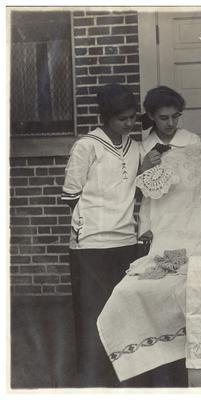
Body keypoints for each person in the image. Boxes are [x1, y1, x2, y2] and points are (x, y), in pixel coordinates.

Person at [61, 84, 142, 387]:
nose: (129, 123)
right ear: (106, 117)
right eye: (123, 119)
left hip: (125, 240)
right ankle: (91, 375)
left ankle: (121, 364)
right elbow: (71, 194)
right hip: (92, 243)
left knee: (121, 306)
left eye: (133, 117)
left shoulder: (135, 147)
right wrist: (91, 223)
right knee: (91, 309)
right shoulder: (87, 146)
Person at [137, 86, 201, 246]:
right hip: (156, 219)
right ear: (152, 116)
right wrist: (144, 168)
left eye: (175, 116)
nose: (171, 123)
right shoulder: (143, 148)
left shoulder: (192, 141)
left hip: (188, 217)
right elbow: (137, 193)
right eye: (164, 118)